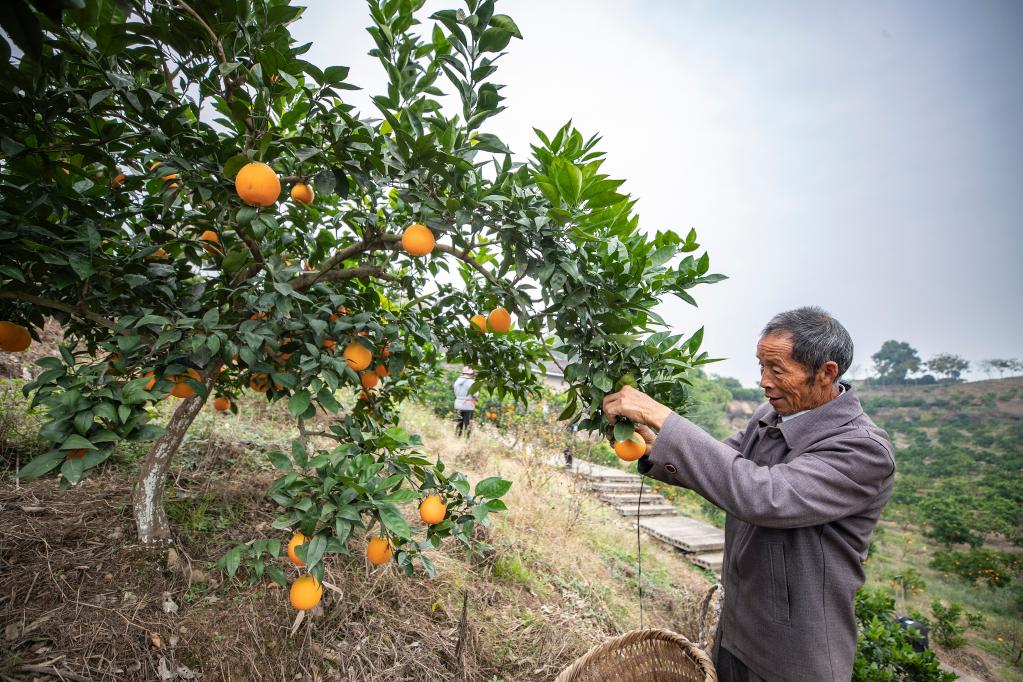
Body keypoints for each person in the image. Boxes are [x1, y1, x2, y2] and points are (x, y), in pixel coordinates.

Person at [602, 307, 895, 682]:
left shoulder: (862, 449)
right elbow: (722, 466)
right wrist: (653, 446)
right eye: (761, 366)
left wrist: (663, 417)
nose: (764, 382)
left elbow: (763, 495)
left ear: (826, 372)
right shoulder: (769, 416)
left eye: (777, 370)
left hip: (794, 655)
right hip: (737, 632)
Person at [452, 366, 477, 438]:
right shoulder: (471, 382)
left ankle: (457, 439)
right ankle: (466, 440)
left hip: (457, 404)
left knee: (459, 423)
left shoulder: (457, 381)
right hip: (468, 405)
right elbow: (475, 394)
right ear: (471, 374)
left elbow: (455, 392)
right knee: (467, 425)